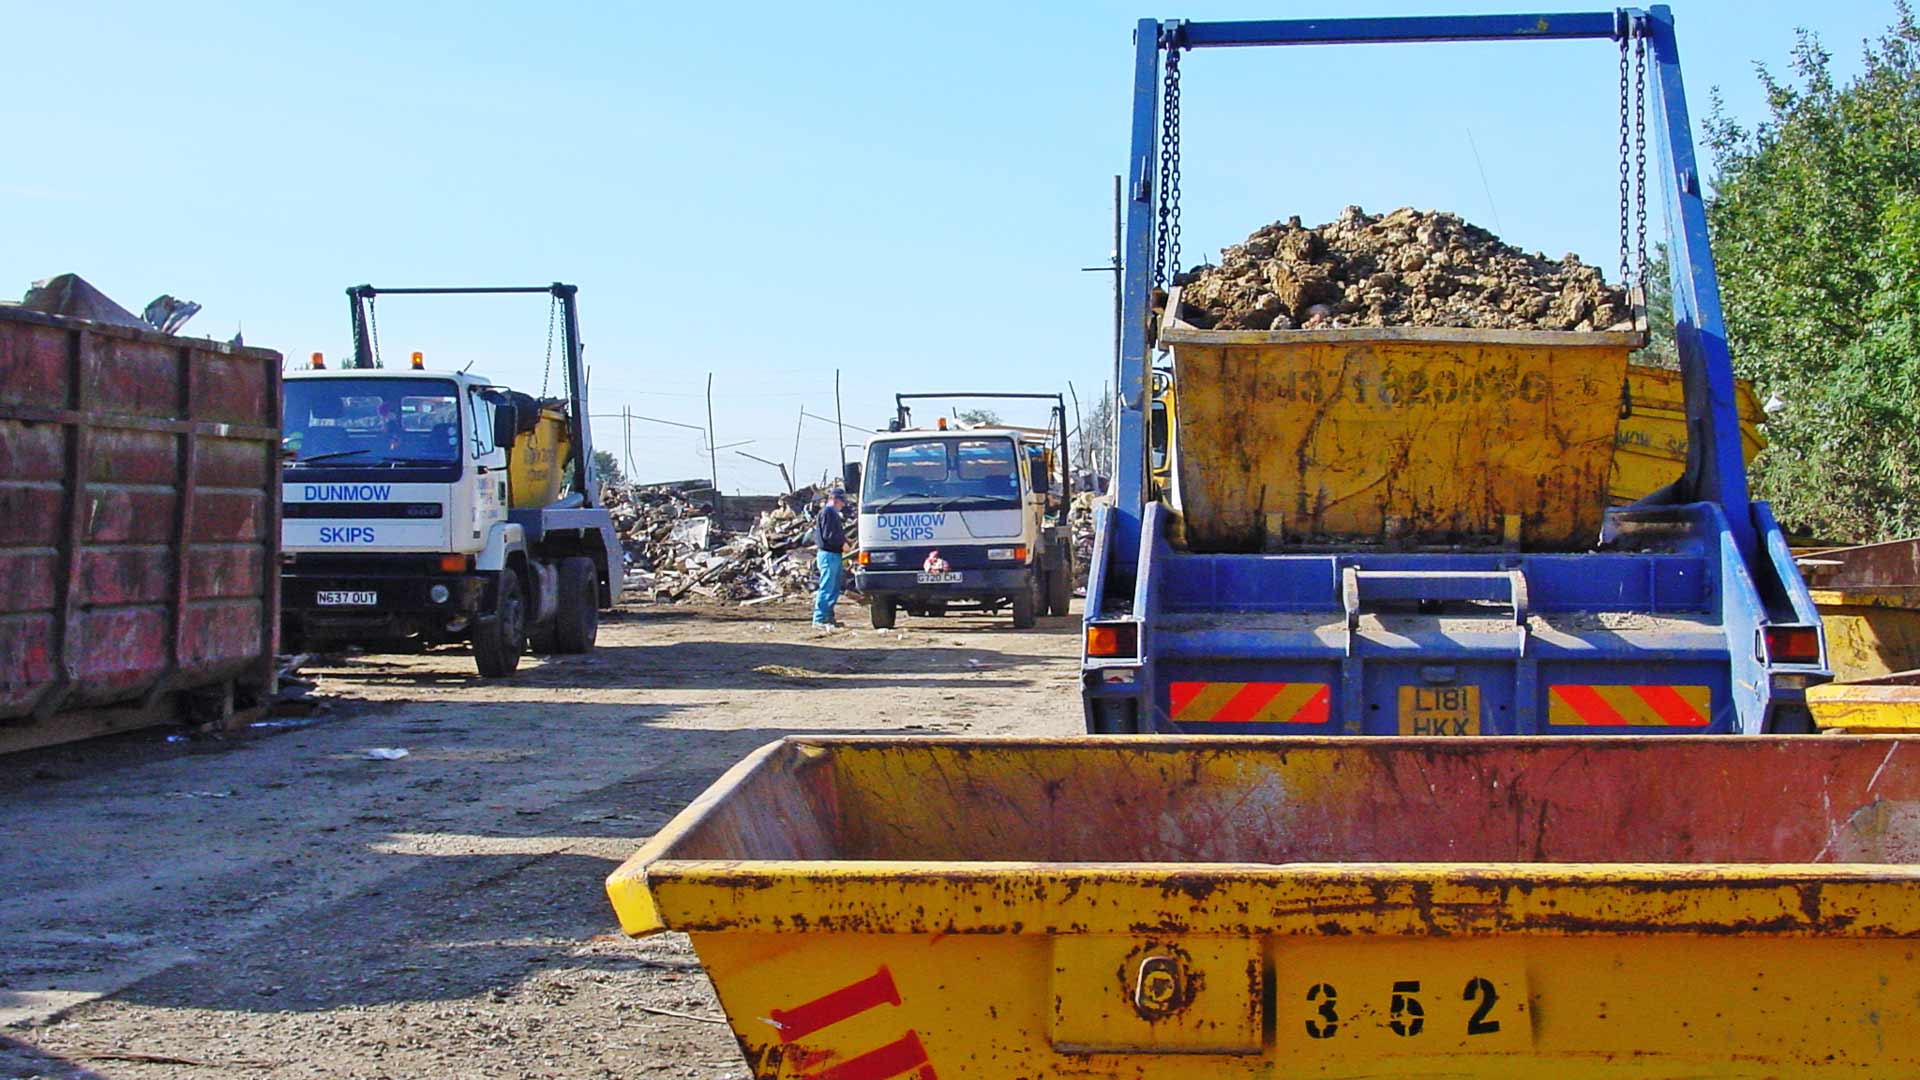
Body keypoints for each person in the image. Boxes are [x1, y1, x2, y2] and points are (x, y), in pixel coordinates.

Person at [811, 488, 849, 627]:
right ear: (835, 500)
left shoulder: (832, 514)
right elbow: (829, 535)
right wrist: (843, 543)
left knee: (833, 588)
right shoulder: (827, 513)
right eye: (842, 502)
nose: (843, 505)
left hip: (834, 554)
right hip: (828, 554)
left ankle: (828, 617)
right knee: (827, 586)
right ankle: (819, 618)